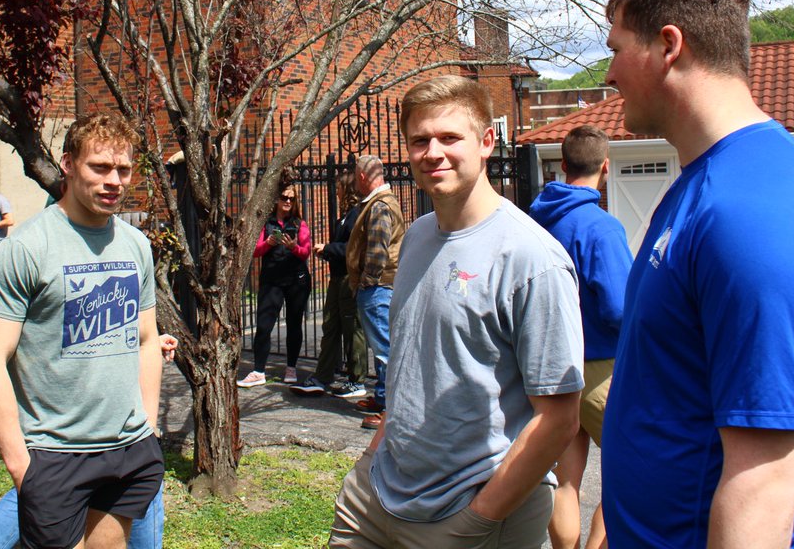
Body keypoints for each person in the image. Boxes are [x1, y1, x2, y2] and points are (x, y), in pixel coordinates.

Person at [599, 0, 794, 548]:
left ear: (669, 45)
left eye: (615, 50)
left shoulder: (753, 213)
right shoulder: (703, 183)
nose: (609, 75)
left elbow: (763, 481)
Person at [330, 76, 584, 549]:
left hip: (471, 512)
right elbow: (410, 363)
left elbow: (559, 419)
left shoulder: (532, 258)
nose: (433, 152)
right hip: (377, 496)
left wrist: (478, 520)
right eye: (420, 139)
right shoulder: (420, 237)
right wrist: (369, 460)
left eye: (450, 137)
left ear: (487, 142)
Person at [0, 113, 164, 549]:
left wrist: (148, 427)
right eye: (99, 167)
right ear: (68, 164)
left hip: (130, 449)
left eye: (123, 169)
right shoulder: (25, 248)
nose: (114, 180)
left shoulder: (135, 245)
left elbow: (147, 339)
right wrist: (23, 467)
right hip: (56, 453)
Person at [0, 334, 180, 549]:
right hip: (67, 438)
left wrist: (146, 344)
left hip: (126, 437)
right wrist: (23, 468)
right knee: (36, 491)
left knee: (136, 497)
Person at [529, 124, 633, 549]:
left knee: (566, 479)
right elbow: (619, 309)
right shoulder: (601, 228)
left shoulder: (534, 219)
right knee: (633, 472)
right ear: (605, 167)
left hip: (554, 365)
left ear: (562, 165)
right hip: (601, 369)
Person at [291, 170, 368, 398]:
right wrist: (326, 252)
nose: (336, 191)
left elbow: (354, 250)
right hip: (336, 279)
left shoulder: (356, 216)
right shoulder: (343, 217)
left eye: (339, 187)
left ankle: (357, 379)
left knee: (352, 328)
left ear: (348, 189)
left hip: (349, 279)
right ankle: (323, 376)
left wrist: (328, 248)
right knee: (331, 326)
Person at [344, 155, 405, 429]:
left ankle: (391, 411)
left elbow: (377, 252)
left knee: (385, 349)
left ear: (363, 177)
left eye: (357, 176)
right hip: (380, 287)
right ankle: (382, 399)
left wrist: (365, 283)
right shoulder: (380, 203)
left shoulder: (379, 206)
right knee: (383, 346)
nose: (355, 181)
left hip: (378, 288)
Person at [238, 180, 313, 387]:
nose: (288, 201)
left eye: (291, 198)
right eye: (284, 198)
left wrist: (293, 247)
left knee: (294, 324)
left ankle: (291, 367)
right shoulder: (266, 223)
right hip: (272, 279)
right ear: (277, 200)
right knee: (264, 324)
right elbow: (254, 251)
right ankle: (258, 370)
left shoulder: (299, 224)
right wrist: (268, 244)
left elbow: (305, 252)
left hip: (296, 279)